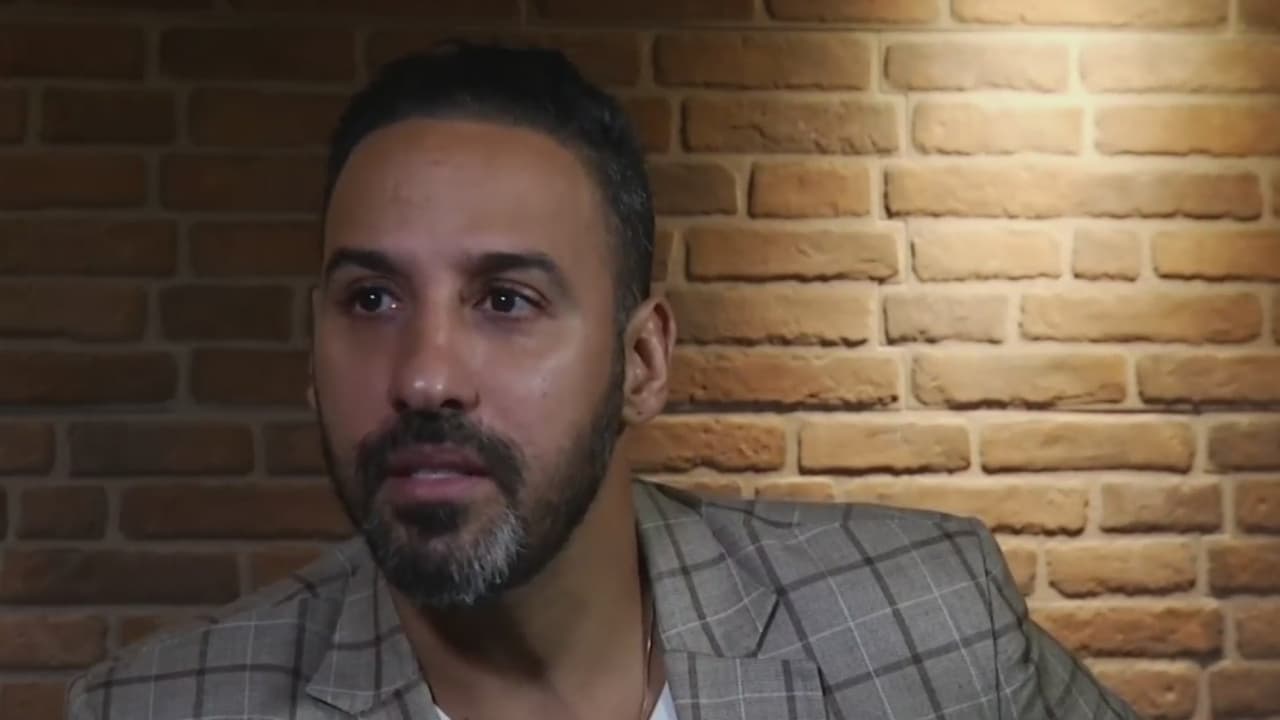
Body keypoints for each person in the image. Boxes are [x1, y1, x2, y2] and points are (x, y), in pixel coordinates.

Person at [66, 43, 1140, 720]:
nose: (425, 376)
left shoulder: (923, 623)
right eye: (372, 300)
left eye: (505, 301)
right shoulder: (160, 707)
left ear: (641, 363)